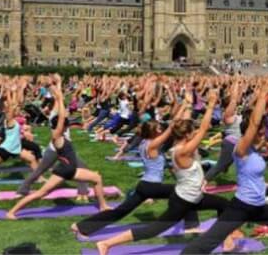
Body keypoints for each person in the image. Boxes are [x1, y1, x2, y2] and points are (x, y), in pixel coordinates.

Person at [94, 89, 235, 255]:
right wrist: (210, 105)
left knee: (224, 205)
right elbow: (203, 129)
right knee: (152, 230)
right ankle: (106, 244)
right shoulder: (182, 151)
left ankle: (227, 241)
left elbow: (187, 127)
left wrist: (187, 105)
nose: (195, 133)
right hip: (183, 200)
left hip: (191, 196)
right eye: (193, 132)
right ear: (188, 135)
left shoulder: (180, 148)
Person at [181, 80, 268, 255]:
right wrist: (261, 96)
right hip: (241, 207)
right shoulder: (241, 150)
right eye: (260, 133)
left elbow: (263, 133)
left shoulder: (254, 149)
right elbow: (254, 124)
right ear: (249, 134)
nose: (263, 135)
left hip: (257, 207)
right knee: (208, 242)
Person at [73, 98, 200, 236]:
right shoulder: (152, 144)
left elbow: (171, 125)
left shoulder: (144, 142)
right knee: (187, 193)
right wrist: (184, 106)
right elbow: (171, 126)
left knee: (120, 211)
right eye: (158, 127)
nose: (161, 128)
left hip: (144, 185)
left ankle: (81, 226)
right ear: (154, 131)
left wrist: (183, 106)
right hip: (152, 186)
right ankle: (191, 225)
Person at [6, 77, 111, 219]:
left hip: (70, 169)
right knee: (40, 193)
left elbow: (63, 115)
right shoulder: (58, 135)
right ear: (63, 125)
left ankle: (103, 206)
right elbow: (62, 116)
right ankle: (11, 212)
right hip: (65, 171)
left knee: (97, 178)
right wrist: (60, 98)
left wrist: (59, 94)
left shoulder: (58, 133)